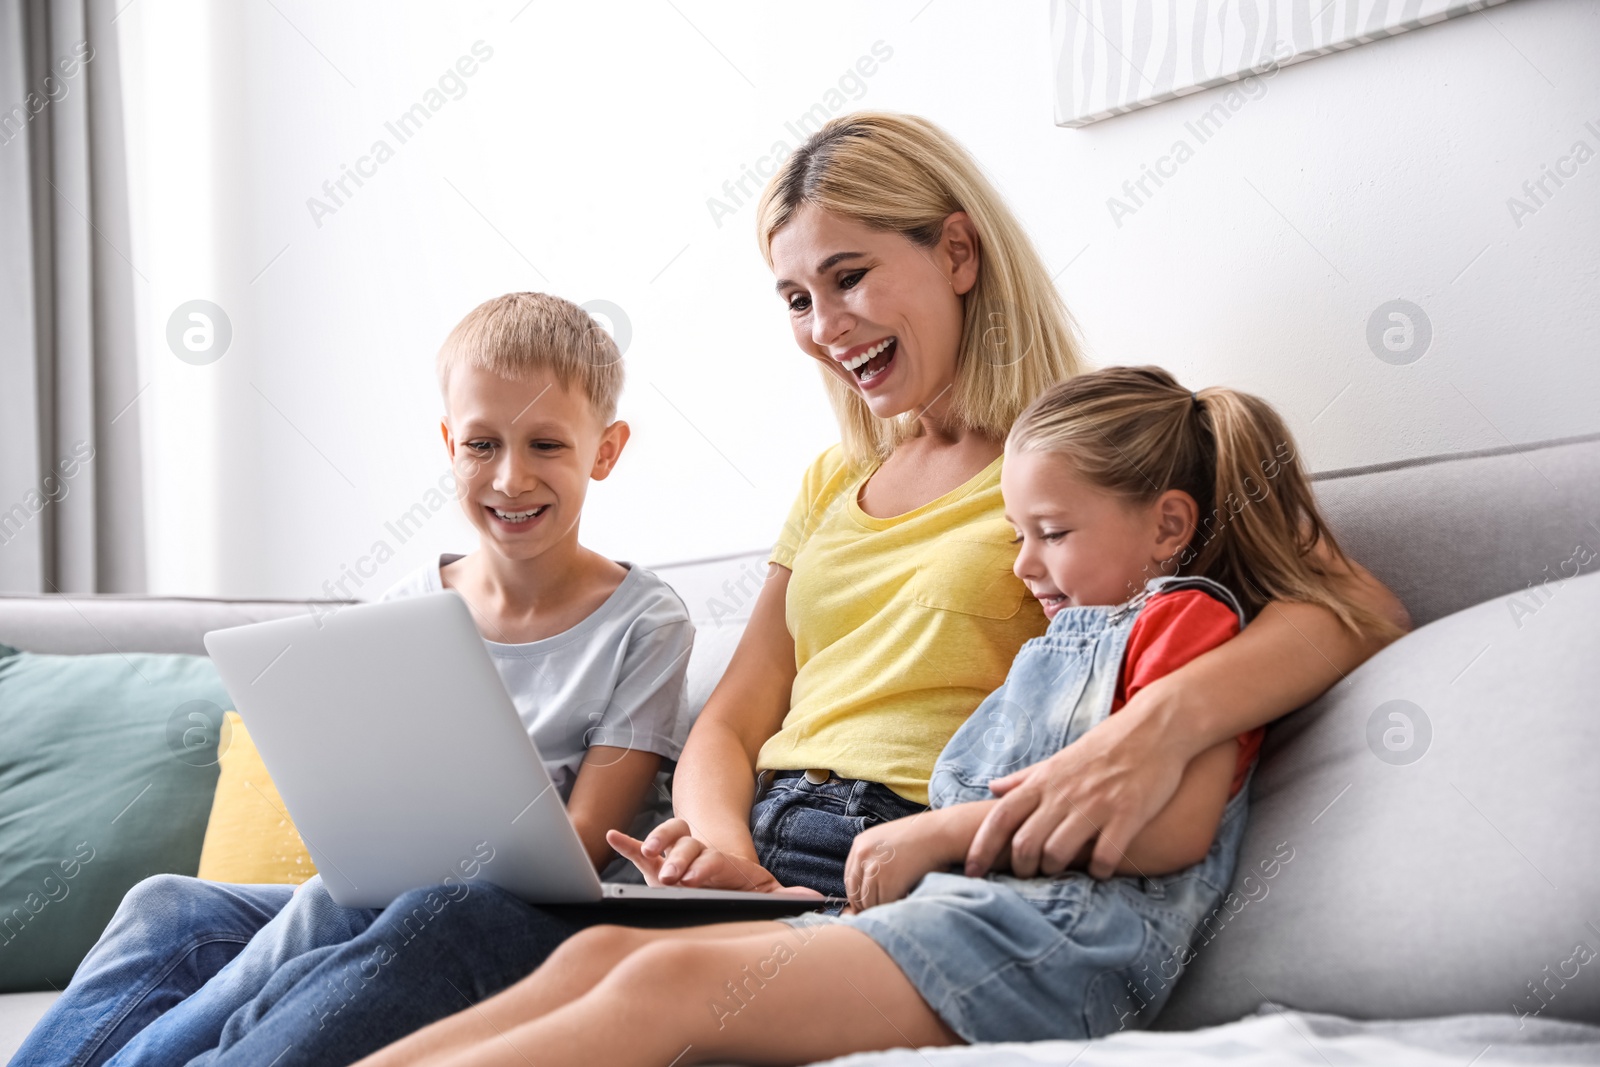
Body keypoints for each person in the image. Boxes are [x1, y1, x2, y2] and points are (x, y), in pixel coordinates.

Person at [28, 111, 1404, 1067]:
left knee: (464, 914)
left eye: (851, 277)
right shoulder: (831, 484)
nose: (828, 327)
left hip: (870, 850)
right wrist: (711, 831)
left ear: (960, 253)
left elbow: (1348, 606)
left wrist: (1149, 728)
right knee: (184, 907)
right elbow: (737, 715)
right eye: (797, 298)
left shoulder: (1082, 476)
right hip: (741, 846)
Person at [350, 365, 1409, 1065]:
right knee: (598, 955)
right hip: (950, 913)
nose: (1021, 563)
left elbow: (1171, 827)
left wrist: (938, 830)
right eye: (1014, 531)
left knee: (668, 979)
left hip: (1052, 948)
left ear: (1169, 523)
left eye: (1048, 531)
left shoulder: (1185, 621)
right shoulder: (1065, 633)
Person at [9, 292, 698, 1067]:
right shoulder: (409, 605)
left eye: (546, 444)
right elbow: (361, 801)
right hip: (378, 888)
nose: (511, 477)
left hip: (516, 914)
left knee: (331, 906)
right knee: (166, 901)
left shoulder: (646, 623)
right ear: (448, 444)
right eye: (481, 444)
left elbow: (583, 837)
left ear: (604, 451)